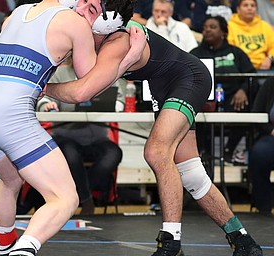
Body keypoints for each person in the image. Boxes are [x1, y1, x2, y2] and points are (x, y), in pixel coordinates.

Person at [46, 0, 263, 255]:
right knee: (191, 173)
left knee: (157, 152)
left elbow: (83, 91)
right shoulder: (96, 33)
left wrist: (41, 88)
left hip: (188, 78)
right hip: (165, 86)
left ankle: (171, 243)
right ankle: (244, 241)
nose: (81, 10)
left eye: (91, 9)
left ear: (109, 20)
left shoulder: (119, 41)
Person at [0, 1, 141, 256]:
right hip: (9, 116)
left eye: (90, 9)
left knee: (10, 179)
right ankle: (22, 251)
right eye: (86, 6)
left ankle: (5, 247)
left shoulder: (19, 12)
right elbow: (89, 86)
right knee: (65, 198)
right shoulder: (76, 24)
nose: (83, 10)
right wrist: (128, 59)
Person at [39, 61, 124, 215]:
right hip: (66, 135)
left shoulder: (107, 71)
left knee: (114, 154)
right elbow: (44, 97)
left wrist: (114, 106)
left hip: (98, 139)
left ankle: (78, 195)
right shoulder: (60, 74)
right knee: (70, 154)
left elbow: (119, 99)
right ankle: (87, 200)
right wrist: (47, 105)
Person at [190, 15, 258, 164]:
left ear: (224, 32)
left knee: (245, 106)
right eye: (205, 28)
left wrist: (243, 90)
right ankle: (204, 152)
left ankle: (229, 150)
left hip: (232, 98)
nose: (207, 30)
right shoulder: (195, 53)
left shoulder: (236, 52)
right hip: (205, 99)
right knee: (193, 111)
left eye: (213, 27)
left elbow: (251, 76)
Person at [249, 77, 274, 217]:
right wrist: (271, 130)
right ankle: (263, 206)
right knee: (259, 153)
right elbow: (257, 112)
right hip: (272, 135)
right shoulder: (270, 84)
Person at [227, 0, 274, 70]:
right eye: (245, 5)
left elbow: (272, 46)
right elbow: (230, 49)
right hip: (240, 67)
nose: (250, 8)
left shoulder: (265, 26)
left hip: (264, 67)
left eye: (253, 6)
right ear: (238, 9)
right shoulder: (229, 27)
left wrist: (269, 58)